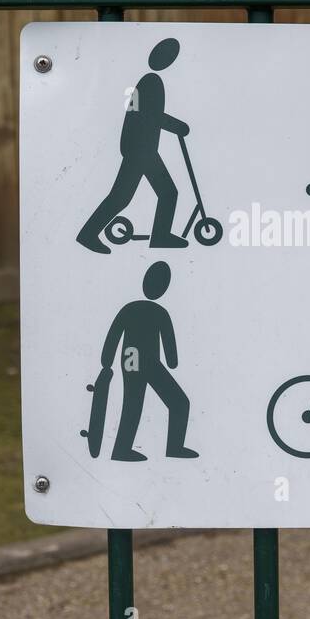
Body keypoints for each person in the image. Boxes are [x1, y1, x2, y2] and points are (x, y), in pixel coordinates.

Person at [77, 37, 190, 254]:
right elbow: (149, 115)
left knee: (166, 192)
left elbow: (142, 114)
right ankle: (88, 234)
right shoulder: (151, 82)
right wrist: (178, 126)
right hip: (141, 150)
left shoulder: (147, 82)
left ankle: (160, 236)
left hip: (142, 149)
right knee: (124, 197)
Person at [98, 261, 198, 462]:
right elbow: (169, 345)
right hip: (144, 362)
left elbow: (114, 335)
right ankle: (166, 448)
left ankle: (127, 449)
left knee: (135, 403)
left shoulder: (131, 308)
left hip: (132, 361)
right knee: (176, 402)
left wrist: (107, 360)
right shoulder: (159, 312)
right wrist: (172, 361)